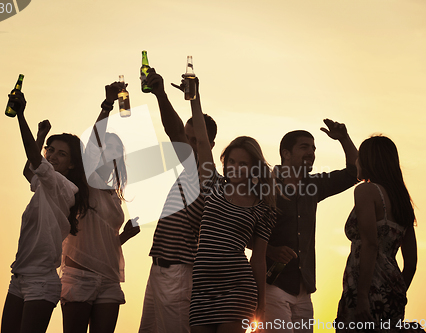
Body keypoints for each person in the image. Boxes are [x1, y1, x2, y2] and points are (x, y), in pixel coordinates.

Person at [188, 77, 277, 333]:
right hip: (202, 288)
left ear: (253, 168)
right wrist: (195, 96)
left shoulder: (263, 208)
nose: (235, 168)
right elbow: (202, 141)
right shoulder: (212, 184)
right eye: (231, 162)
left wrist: (261, 305)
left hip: (238, 289)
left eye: (243, 163)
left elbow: (258, 259)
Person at [0, 91, 90, 333]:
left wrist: (20, 115)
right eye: (50, 150)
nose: (52, 156)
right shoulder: (43, 183)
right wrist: (40, 137)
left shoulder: (64, 186)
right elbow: (29, 170)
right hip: (18, 277)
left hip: (41, 282)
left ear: (72, 164)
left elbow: (36, 161)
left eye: (62, 154)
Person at [138, 69, 217, 333]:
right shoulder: (187, 171)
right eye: (188, 138)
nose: (188, 145)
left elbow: (172, 131)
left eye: (195, 141)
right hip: (159, 268)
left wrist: (161, 94)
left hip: (179, 274)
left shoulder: (205, 173)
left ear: (210, 144)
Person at [60, 82, 140, 333]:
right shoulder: (84, 184)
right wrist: (107, 106)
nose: (110, 156)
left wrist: (125, 234)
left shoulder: (114, 196)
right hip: (79, 276)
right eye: (106, 151)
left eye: (116, 152)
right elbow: (91, 145)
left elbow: (104, 241)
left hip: (109, 278)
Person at [265, 123, 358, 332]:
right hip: (273, 285)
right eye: (305, 147)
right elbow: (242, 230)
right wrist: (271, 250)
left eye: (314, 148)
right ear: (285, 153)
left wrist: (344, 138)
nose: (311, 153)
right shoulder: (265, 185)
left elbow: (355, 172)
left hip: (304, 289)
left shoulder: (314, 186)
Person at [335, 135, 418, 332]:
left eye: (360, 157)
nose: (357, 161)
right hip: (394, 289)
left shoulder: (366, 190)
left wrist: (363, 295)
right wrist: (396, 293)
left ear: (369, 160)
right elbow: (412, 262)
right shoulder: (402, 201)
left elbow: (370, 244)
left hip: (364, 287)